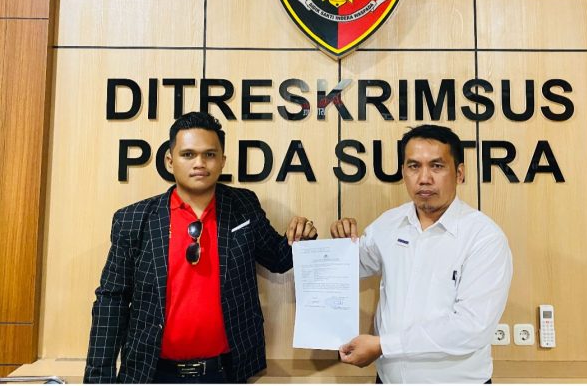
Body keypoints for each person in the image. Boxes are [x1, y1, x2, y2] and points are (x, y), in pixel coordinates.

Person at [84, 111, 318, 383]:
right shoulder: (134, 219)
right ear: (170, 161)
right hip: (150, 373)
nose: (199, 163)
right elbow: (111, 300)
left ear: (222, 161)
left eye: (209, 154)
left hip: (225, 373)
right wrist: (98, 379)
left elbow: (278, 258)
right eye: (188, 154)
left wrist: (301, 238)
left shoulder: (243, 206)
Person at [331, 124, 512, 383]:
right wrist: (334, 245)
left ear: (459, 173)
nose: (424, 178)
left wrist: (383, 346)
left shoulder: (484, 237)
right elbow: (347, 268)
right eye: (414, 166)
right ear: (403, 172)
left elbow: (472, 328)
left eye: (437, 166)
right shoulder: (388, 224)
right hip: (388, 380)